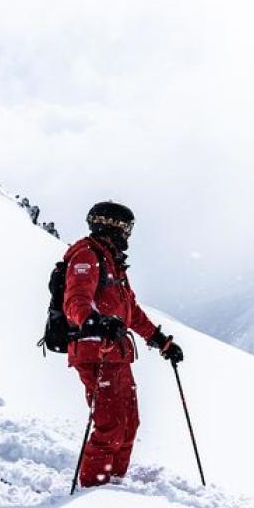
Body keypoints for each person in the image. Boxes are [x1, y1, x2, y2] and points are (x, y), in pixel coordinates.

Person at [63, 200, 183, 488]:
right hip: (96, 352)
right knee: (111, 425)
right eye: (125, 227)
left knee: (129, 423)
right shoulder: (87, 255)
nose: (128, 234)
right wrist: (93, 321)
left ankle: (114, 484)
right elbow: (75, 299)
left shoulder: (112, 264)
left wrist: (160, 341)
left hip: (117, 355)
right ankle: (95, 488)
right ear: (110, 225)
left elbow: (132, 313)